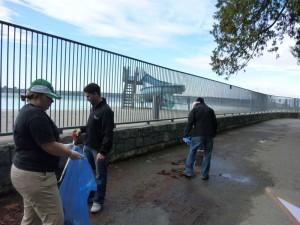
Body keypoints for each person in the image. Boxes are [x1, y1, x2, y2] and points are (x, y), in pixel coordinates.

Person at [10, 78, 82, 225]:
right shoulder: (36, 115)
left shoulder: (27, 111)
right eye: (49, 98)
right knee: (54, 219)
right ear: (37, 96)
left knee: (31, 218)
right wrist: (70, 154)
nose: (52, 102)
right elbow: (48, 146)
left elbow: (38, 142)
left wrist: (64, 146)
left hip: (23, 173)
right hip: (37, 177)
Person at [76, 83, 114, 213]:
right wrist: (81, 130)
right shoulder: (94, 108)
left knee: (100, 176)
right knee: (86, 171)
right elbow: (91, 126)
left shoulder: (106, 111)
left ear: (95, 94)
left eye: (88, 96)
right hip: (88, 146)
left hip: (98, 149)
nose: (86, 98)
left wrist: (103, 151)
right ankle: (91, 195)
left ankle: (98, 201)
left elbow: (108, 134)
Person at [183, 97, 218, 180]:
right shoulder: (210, 110)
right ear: (203, 102)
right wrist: (213, 134)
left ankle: (188, 172)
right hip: (209, 135)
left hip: (197, 134)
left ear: (197, 102)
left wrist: (185, 135)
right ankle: (204, 175)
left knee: (192, 152)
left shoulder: (194, 110)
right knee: (207, 154)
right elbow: (215, 124)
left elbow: (189, 123)